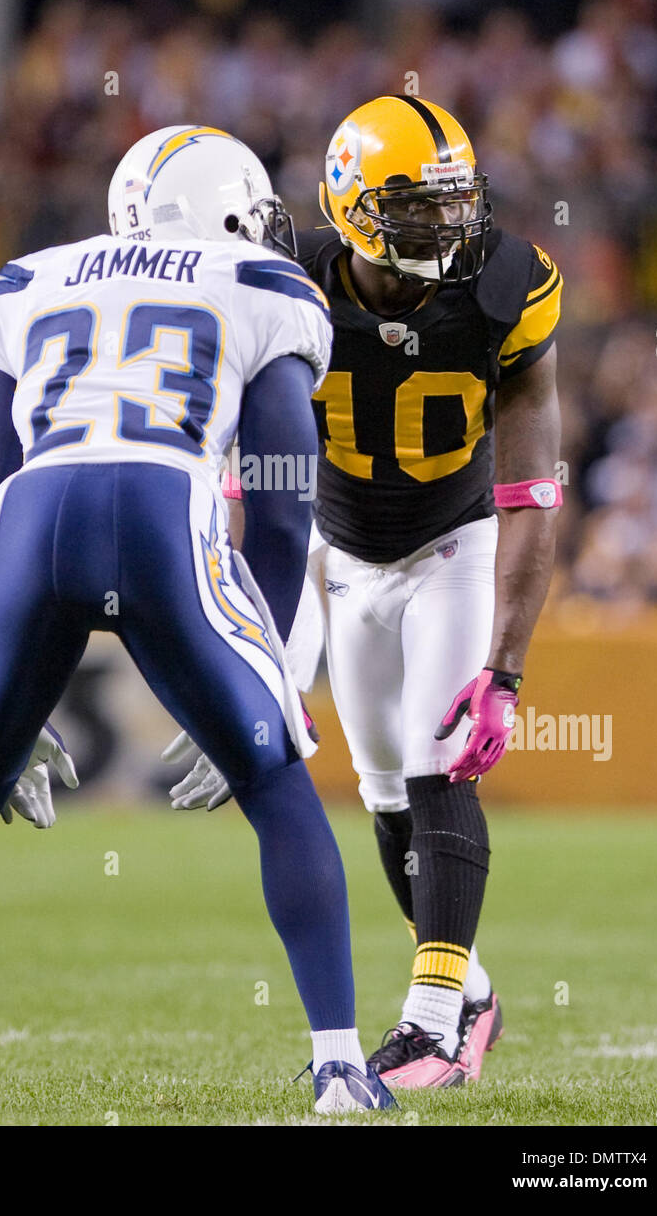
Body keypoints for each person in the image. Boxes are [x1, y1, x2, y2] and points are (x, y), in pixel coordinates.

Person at [0, 124, 394, 1117]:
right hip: (161, 505)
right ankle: (341, 1067)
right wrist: (261, 681)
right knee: (276, 780)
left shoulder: (30, 279)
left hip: (32, 515)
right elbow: (276, 499)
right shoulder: (266, 287)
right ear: (226, 205)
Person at [167, 96, 563, 1089]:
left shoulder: (505, 287)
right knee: (385, 794)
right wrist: (252, 641)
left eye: (452, 203)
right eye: (412, 206)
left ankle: (431, 1023)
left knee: (438, 769)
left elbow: (532, 492)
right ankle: (469, 994)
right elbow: (233, 470)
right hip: (339, 558)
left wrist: (505, 669)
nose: (445, 227)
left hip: (454, 545)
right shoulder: (285, 280)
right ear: (349, 205)